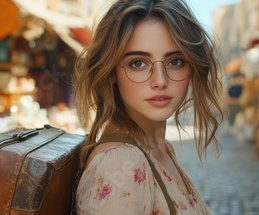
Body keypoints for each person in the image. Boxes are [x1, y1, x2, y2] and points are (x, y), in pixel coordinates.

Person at [72, 0, 222, 214]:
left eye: (176, 61)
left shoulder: (160, 149)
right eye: (138, 63)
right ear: (112, 72)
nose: (160, 81)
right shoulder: (120, 164)